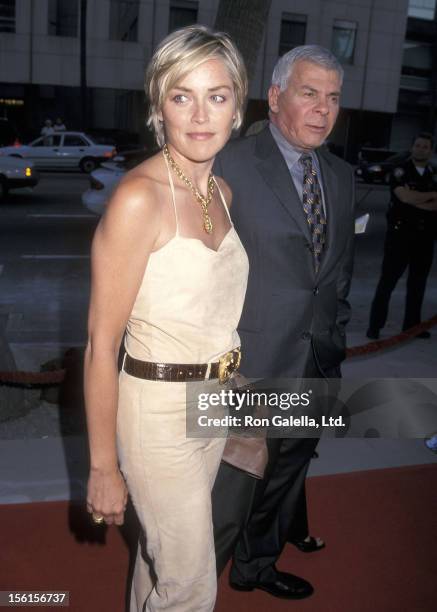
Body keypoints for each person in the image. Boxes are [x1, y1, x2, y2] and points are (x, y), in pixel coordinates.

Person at [84, 25, 248, 612]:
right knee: (192, 583)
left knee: (163, 565)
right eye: (182, 96)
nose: (200, 114)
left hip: (216, 402)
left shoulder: (223, 193)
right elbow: (101, 346)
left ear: (237, 106)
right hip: (156, 414)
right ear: (159, 107)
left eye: (217, 95)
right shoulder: (139, 199)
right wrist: (104, 466)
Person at [213, 45, 355, 599]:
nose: (323, 109)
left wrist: (335, 338)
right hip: (249, 366)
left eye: (333, 97)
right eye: (309, 92)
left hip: (316, 360)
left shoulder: (341, 177)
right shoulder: (230, 163)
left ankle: (255, 568)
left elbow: (338, 273)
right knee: (226, 487)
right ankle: (192, 585)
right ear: (275, 97)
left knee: (285, 477)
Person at [367, 133, 437, 340]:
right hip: (400, 237)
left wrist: (416, 200)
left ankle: (412, 327)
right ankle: (375, 326)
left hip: (425, 238)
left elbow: (422, 202)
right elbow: (404, 197)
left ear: (430, 151)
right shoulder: (400, 170)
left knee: (418, 284)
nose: (421, 149)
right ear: (412, 148)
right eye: (418, 145)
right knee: (387, 282)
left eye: (425, 147)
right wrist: (431, 196)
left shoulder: (434, 173)